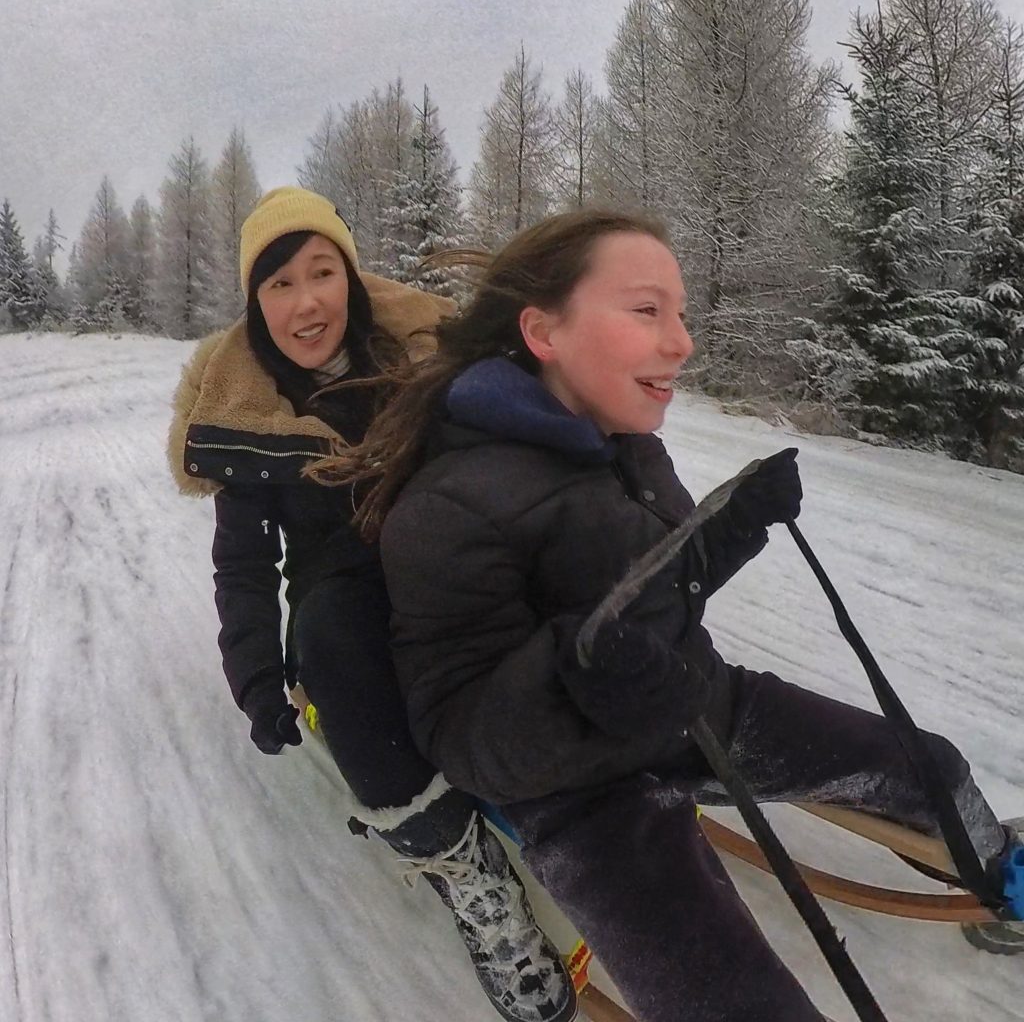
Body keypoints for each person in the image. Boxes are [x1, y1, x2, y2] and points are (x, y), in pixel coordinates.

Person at [311, 208, 1024, 1021]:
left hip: (698, 704)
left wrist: (732, 527)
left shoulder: (622, 441)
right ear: (544, 331)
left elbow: (655, 583)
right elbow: (462, 736)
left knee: (929, 762)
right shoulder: (448, 505)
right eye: (647, 311)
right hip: (580, 794)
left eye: (679, 313)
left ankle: (1001, 862)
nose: (681, 341)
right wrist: (575, 672)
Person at [167, 186, 577, 1022]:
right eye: (279, 284)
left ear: (351, 278)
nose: (306, 300)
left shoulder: (419, 352)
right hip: (341, 586)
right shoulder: (249, 416)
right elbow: (243, 566)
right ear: (255, 305)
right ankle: (461, 866)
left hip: (445, 549)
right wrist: (253, 669)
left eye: (322, 272)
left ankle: (609, 738)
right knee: (330, 640)